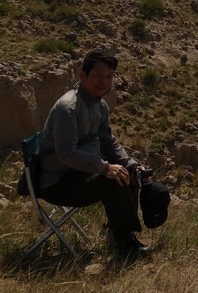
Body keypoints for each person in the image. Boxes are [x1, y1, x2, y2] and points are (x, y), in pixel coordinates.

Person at [37, 49, 151, 260]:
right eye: (98, 75)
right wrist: (105, 168)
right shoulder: (68, 108)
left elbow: (108, 141)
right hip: (57, 182)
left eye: (109, 76)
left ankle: (116, 230)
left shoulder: (100, 105)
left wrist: (131, 163)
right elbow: (66, 154)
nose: (104, 82)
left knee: (129, 173)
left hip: (77, 174)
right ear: (82, 75)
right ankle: (125, 243)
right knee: (114, 180)